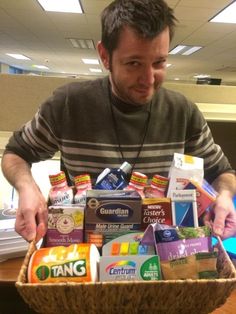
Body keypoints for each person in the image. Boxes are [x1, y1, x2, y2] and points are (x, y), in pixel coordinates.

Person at [1, 0, 236, 243]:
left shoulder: (183, 112)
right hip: (81, 254)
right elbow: (16, 153)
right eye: (134, 63)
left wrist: (225, 196)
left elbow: (222, 172)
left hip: (159, 257)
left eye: (159, 63)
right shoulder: (68, 104)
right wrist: (27, 188)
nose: (148, 79)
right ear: (105, 56)